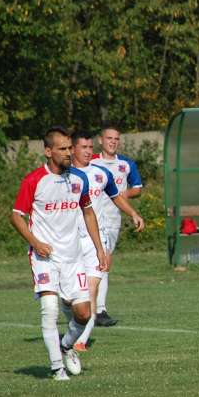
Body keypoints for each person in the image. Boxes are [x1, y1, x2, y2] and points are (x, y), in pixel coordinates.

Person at [10, 127, 108, 380]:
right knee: (50, 308)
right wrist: (35, 242)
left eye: (69, 148)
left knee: (85, 314)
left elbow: (88, 212)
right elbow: (17, 216)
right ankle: (57, 368)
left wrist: (99, 249)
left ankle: (66, 347)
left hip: (73, 257)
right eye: (63, 148)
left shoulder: (78, 179)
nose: (68, 152)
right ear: (48, 151)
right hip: (44, 258)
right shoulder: (33, 180)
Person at [70, 130, 145, 352]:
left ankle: (82, 339)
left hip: (98, 234)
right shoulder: (65, 175)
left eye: (89, 148)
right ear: (73, 149)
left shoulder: (101, 173)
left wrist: (133, 214)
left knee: (93, 285)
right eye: (83, 147)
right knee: (71, 293)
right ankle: (76, 325)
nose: (87, 151)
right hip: (70, 238)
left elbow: (116, 196)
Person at [89, 125, 143, 326]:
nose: (113, 141)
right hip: (90, 218)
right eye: (109, 138)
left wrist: (122, 194)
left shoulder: (126, 164)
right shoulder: (91, 162)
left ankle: (96, 308)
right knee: (99, 261)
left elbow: (137, 188)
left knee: (104, 262)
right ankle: (96, 309)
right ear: (101, 140)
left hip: (112, 220)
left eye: (116, 139)